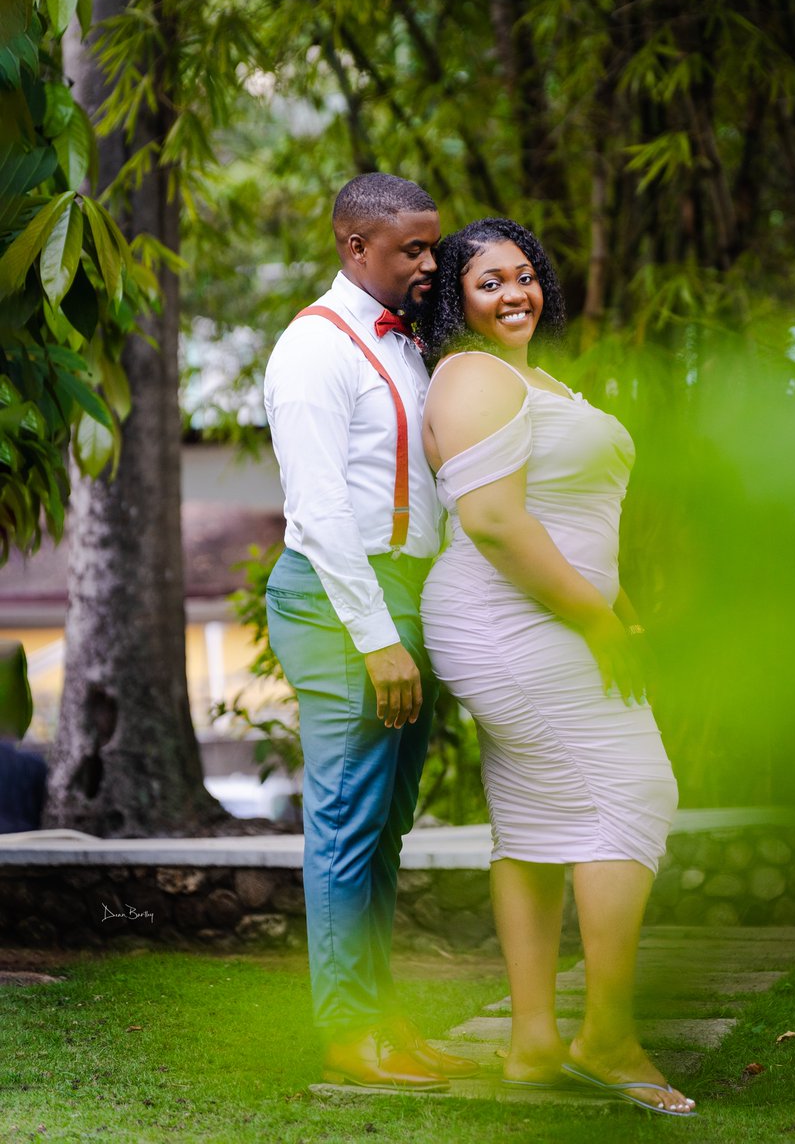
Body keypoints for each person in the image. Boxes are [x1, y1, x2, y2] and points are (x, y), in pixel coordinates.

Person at [418, 218, 696, 1116]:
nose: (514, 294)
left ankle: (534, 1043)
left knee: (539, 816)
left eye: (525, 276)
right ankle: (606, 1034)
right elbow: (497, 523)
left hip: (563, 617)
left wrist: (620, 614)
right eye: (489, 281)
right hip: (506, 618)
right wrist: (597, 622)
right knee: (636, 789)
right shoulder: (469, 376)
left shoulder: (537, 382)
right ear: (456, 298)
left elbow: (576, 521)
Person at [263, 173, 478, 1090]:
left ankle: (381, 1020)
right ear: (356, 247)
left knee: (384, 830)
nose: (432, 264)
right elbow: (318, 511)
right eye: (413, 250)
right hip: (340, 596)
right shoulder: (313, 350)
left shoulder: (404, 342)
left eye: (433, 246)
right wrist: (377, 639)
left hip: (405, 594)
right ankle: (349, 1036)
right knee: (348, 825)